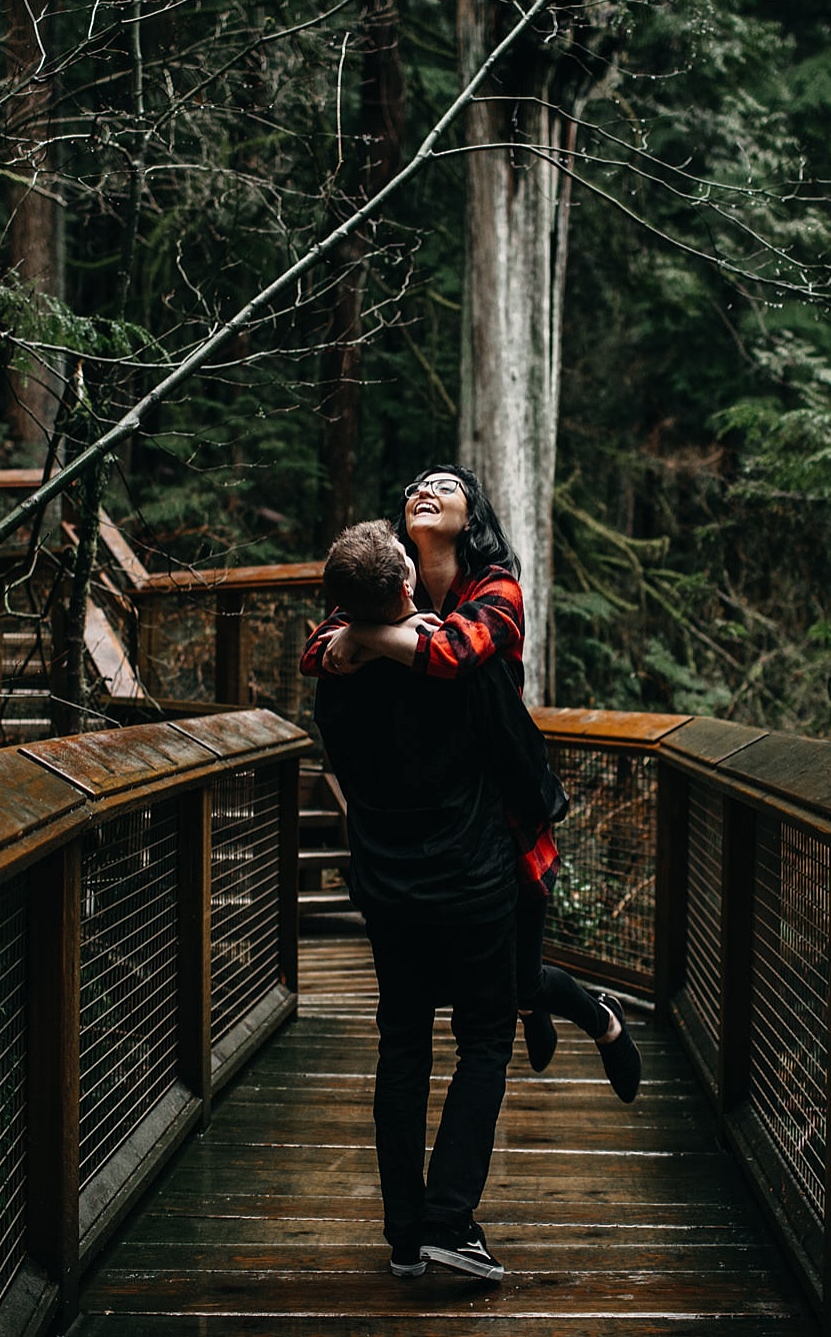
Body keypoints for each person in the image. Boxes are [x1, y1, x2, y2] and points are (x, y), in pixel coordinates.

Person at [305, 465, 641, 1104]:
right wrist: (362, 630)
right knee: (494, 988)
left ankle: (602, 1019)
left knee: (513, 985)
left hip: (505, 821)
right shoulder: (389, 589)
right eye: (413, 487)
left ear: (471, 516)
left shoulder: (496, 588)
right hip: (436, 830)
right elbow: (318, 654)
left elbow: (456, 653)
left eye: (444, 485)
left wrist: (365, 636)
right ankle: (534, 1008)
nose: (422, 491)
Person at [305, 519, 518, 1282]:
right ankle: (449, 1220)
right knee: (486, 1040)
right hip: (471, 882)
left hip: (387, 887)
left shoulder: (334, 675)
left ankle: (404, 1237)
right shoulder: (451, 664)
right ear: (404, 586)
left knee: (403, 1044)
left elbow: (332, 651)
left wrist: (354, 638)